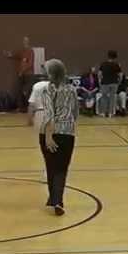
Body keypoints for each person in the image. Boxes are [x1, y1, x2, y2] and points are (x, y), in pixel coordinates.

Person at [39, 59, 79, 216]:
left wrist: (49, 136)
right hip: (67, 134)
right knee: (62, 169)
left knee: (51, 167)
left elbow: (49, 114)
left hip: (48, 133)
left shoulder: (47, 90)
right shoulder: (72, 90)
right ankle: (57, 200)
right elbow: (75, 113)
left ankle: (54, 198)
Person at [5, 36, 35, 112]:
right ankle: (21, 107)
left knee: (27, 91)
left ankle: (29, 107)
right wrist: (9, 55)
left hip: (28, 74)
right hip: (21, 75)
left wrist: (22, 71)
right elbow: (16, 56)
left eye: (26, 41)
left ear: (28, 42)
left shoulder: (30, 51)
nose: (25, 42)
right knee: (18, 90)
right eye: (24, 41)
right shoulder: (22, 51)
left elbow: (30, 64)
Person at [98, 50, 121, 118]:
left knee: (104, 97)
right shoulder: (116, 64)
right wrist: (118, 82)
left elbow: (99, 74)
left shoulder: (103, 64)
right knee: (112, 98)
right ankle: (111, 113)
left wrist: (100, 81)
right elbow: (120, 75)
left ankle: (103, 113)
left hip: (104, 83)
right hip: (114, 83)